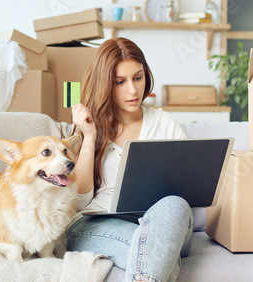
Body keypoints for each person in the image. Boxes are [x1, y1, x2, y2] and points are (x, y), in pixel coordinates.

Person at [67, 37, 194, 282]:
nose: (133, 90)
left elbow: (188, 188)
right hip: (97, 223)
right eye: (120, 82)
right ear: (105, 84)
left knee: (175, 206)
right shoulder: (87, 127)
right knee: (160, 254)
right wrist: (90, 137)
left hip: (164, 223)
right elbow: (80, 202)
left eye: (137, 77)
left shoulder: (163, 122)